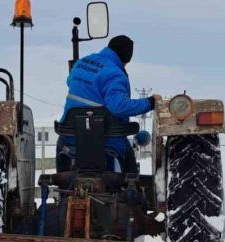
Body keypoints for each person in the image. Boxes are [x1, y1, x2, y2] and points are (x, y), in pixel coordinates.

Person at [57, 35, 156, 174]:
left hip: (71, 134)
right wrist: (149, 103)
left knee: (61, 152)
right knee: (130, 169)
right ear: (125, 59)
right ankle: (131, 191)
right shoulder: (115, 73)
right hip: (106, 140)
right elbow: (119, 106)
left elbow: (70, 82)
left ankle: (61, 190)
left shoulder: (81, 63)